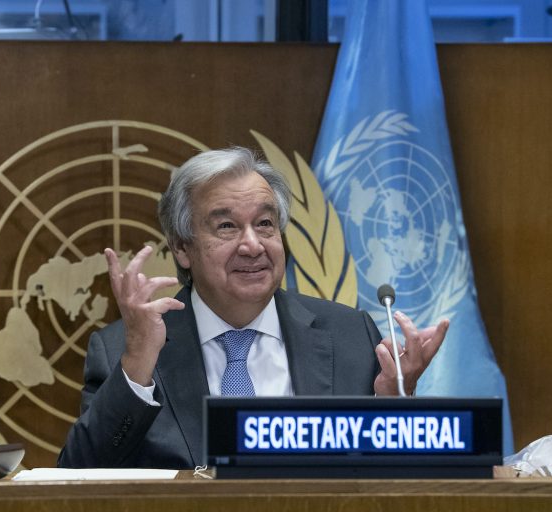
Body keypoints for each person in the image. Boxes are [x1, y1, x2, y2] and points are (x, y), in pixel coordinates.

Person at [58, 147, 448, 469]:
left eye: (265, 223)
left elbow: (391, 480)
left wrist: (394, 404)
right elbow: (77, 476)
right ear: (181, 247)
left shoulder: (349, 334)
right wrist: (138, 366)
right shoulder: (125, 351)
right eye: (226, 227)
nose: (253, 245)